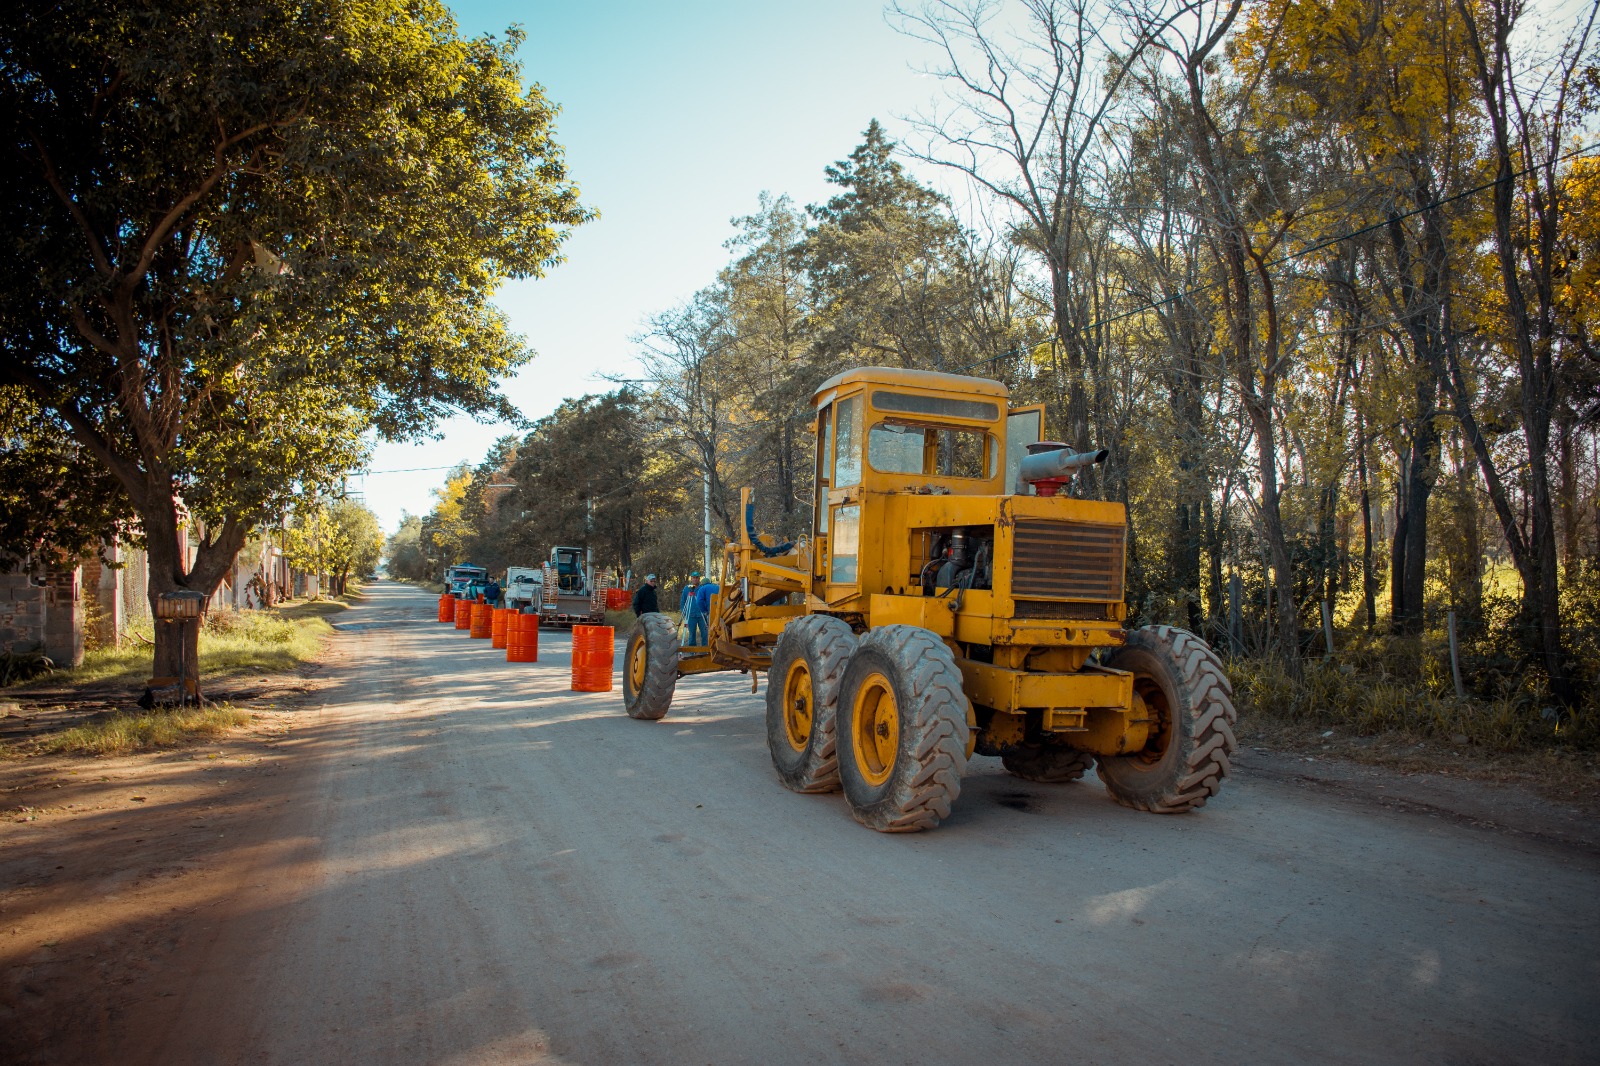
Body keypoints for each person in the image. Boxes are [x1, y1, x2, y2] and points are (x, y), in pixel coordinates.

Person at [688, 577, 719, 646]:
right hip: (721, 612)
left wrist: (704, 611)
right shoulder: (718, 587)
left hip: (711, 612)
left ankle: (709, 647)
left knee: (711, 630)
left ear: (702, 584)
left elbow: (699, 601)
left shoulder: (702, 588)